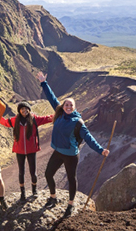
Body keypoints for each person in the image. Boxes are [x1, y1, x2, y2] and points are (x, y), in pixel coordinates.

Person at [37, 72, 110, 217]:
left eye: (71, 105)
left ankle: (70, 204)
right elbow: (52, 98)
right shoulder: (59, 113)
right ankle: (53, 197)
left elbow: (89, 138)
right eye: (66, 104)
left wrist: (101, 150)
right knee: (48, 174)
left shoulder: (78, 122)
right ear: (63, 106)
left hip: (71, 154)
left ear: (74, 107)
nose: (68, 107)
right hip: (58, 152)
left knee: (71, 179)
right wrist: (44, 83)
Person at [0, 102, 54, 200]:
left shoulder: (34, 119)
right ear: (19, 111)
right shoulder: (15, 120)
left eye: (26, 109)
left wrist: (61, 114)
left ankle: (34, 190)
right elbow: (4, 122)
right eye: (22, 109)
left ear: (29, 109)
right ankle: (23, 192)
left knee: (33, 172)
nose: (24, 111)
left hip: (31, 150)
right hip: (19, 151)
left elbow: (47, 118)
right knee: (21, 172)